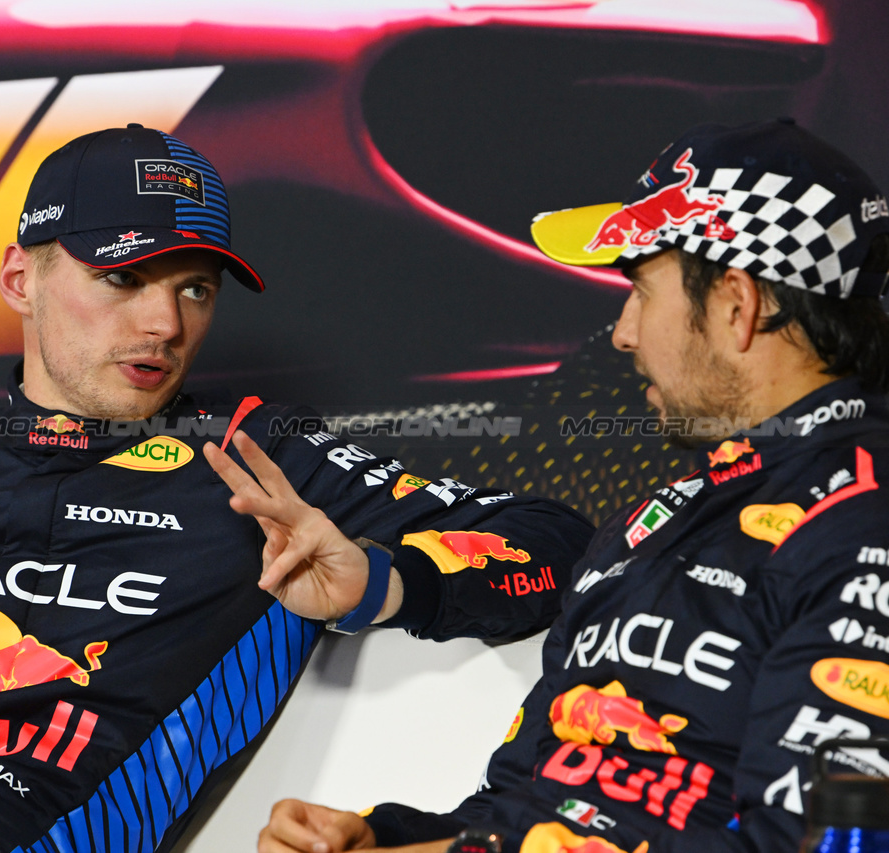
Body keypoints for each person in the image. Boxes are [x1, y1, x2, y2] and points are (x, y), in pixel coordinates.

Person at [0, 125, 594, 853]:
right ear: (18, 279)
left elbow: (551, 543)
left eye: (194, 286)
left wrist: (379, 580)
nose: (164, 322)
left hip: (8, 834)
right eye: (124, 279)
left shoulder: (260, 460)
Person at [252, 118, 889, 853]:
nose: (621, 334)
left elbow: (836, 841)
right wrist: (383, 839)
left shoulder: (861, 525)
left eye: (642, 293)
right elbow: (530, 806)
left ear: (736, 306)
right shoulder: (658, 520)